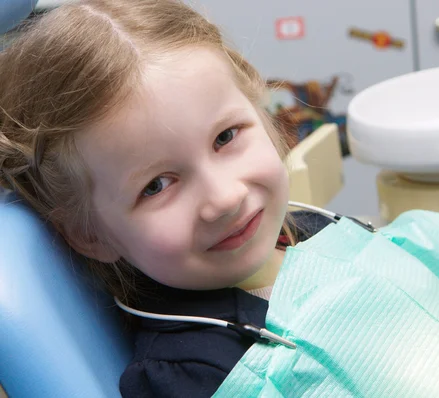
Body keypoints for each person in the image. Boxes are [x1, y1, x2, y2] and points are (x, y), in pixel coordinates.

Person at [0, 0, 332, 395]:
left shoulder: (316, 232)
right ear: (92, 235)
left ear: (261, 114)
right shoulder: (191, 376)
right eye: (156, 185)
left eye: (225, 137)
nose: (225, 198)